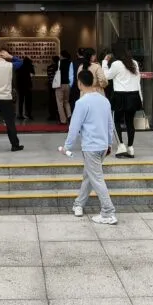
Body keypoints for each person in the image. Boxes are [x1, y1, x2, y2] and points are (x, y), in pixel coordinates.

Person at [60, 69, 118, 225]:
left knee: (96, 179)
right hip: (102, 147)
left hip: (91, 147)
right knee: (89, 176)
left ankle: (108, 212)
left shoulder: (81, 102)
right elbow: (110, 124)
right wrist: (109, 143)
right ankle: (78, 204)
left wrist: (67, 147)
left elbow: (74, 127)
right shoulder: (104, 100)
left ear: (79, 83)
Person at [103, 45, 142, 159]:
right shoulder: (134, 63)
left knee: (116, 121)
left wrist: (105, 62)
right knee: (130, 122)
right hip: (133, 95)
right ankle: (130, 147)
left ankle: (121, 146)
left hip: (120, 95)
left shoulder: (116, 64)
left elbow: (107, 76)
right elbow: (138, 80)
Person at [15, 53, 35, 120]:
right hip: (28, 86)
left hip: (20, 86)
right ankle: (29, 114)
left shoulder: (20, 66)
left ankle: (20, 115)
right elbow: (32, 74)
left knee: (21, 101)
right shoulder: (30, 66)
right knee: (28, 101)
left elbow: (17, 75)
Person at [55, 50, 72, 124]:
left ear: (62, 55)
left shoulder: (59, 62)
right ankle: (69, 116)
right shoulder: (70, 62)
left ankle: (63, 120)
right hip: (67, 84)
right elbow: (71, 74)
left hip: (60, 84)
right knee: (66, 102)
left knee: (60, 103)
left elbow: (57, 72)